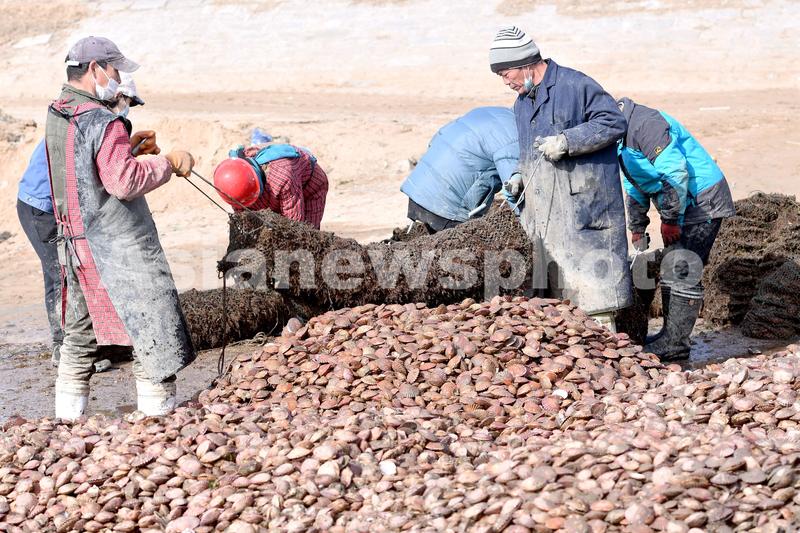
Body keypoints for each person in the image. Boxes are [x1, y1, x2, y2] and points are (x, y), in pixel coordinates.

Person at [45, 36, 197, 419]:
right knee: (152, 328)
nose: (116, 77)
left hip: (75, 244)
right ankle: (158, 418)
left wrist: (127, 148)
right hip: (117, 247)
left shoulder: (60, 112)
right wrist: (168, 163)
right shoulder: (103, 120)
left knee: (79, 337)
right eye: (114, 70)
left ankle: (67, 421)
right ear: (95, 68)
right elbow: (124, 183)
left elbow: (86, 170)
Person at [491, 25, 632, 332]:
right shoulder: (521, 105)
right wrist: (518, 176)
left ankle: (609, 347)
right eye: (500, 76)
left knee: (596, 306)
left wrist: (567, 141)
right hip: (547, 222)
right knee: (560, 313)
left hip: (586, 212)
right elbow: (528, 153)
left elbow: (614, 122)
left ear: (525, 63)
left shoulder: (575, 85)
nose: (505, 82)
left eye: (506, 73)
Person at [617, 97, 735, 360]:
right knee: (672, 265)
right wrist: (637, 227)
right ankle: (669, 335)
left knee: (683, 268)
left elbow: (675, 173)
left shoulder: (645, 125)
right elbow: (633, 184)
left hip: (702, 200)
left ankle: (676, 344)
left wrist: (670, 220)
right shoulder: (618, 138)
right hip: (681, 201)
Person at [399, 106, 520, 233]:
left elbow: (436, 138)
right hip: (447, 207)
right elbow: (514, 188)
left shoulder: (488, 111)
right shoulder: (514, 135)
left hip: (418, 189)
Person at [16, 141, 63, 366]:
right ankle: (66, 347)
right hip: (39, 208)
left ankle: (63, 344)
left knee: (55, 274)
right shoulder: (81, 126)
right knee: (63, 275)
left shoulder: (69, 122)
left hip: (35, 203)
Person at [213, 143, 329, 229]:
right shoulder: (232, 184)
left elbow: (294, 222)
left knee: (306, 233)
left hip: (309, 187)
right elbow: (243, 219)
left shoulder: (282, 175)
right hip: (273, 190)